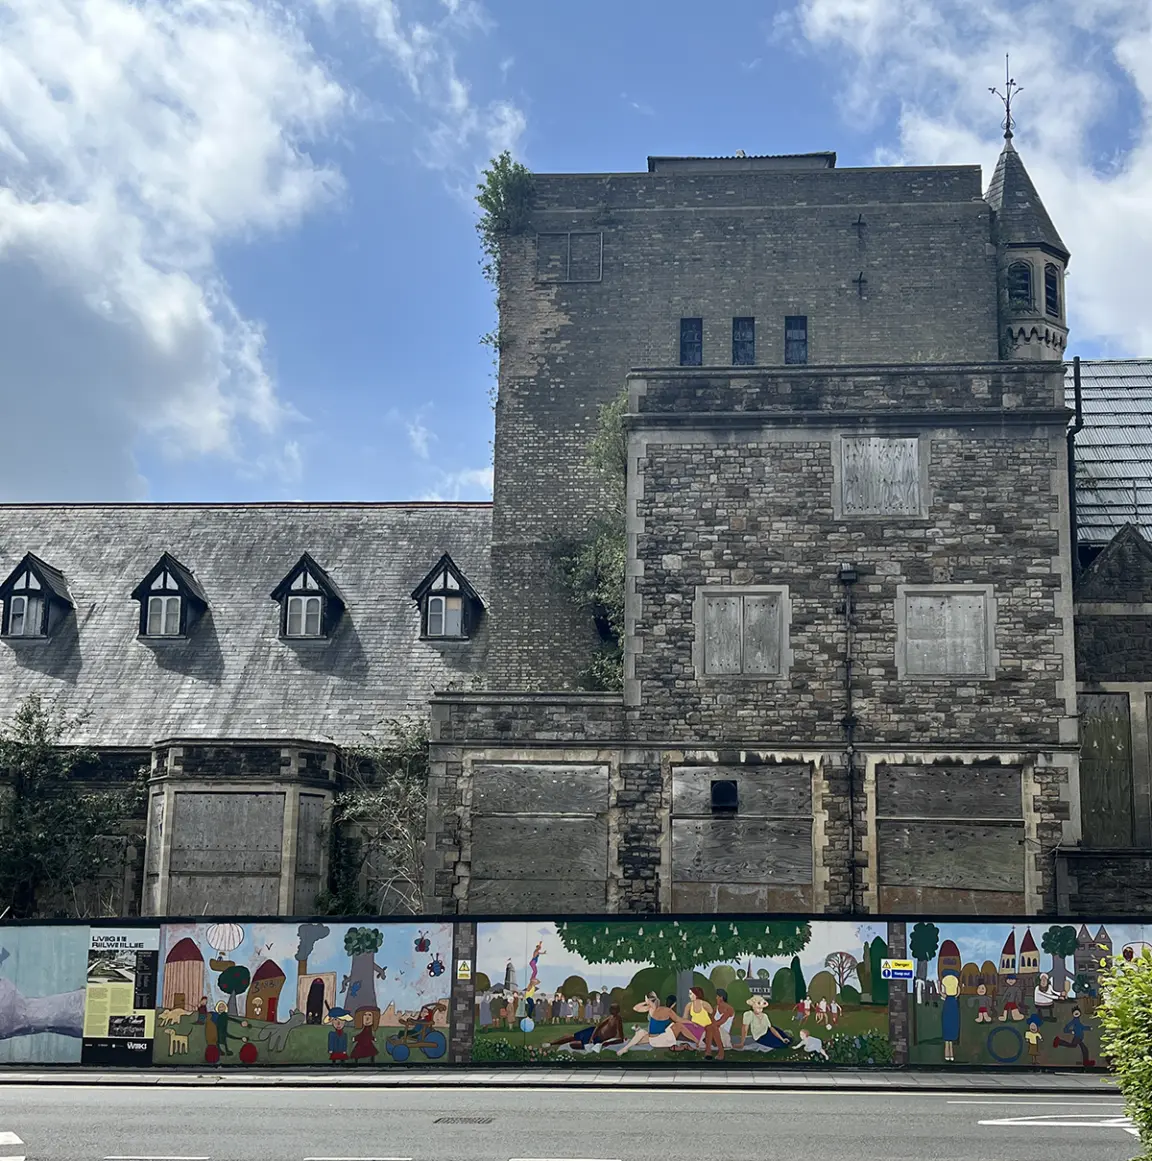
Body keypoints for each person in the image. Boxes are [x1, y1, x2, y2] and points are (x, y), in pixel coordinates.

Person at [615, 993, 689, 1056]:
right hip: (652, 1032)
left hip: (657, 1034)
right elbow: (636, 1008)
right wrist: (645, 1002)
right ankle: (627, 1045)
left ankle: (628, 1044)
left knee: (639, 1037)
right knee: (638, 1038)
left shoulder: (659, 1009)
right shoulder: (652, 1008)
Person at [548, 1003, 625, 1052]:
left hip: (598, 1038)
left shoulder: (618, 1020)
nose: (610, 1010)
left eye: (612, 1009)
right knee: (573, 1036)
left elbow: (621, 1038)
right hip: (593, 1032)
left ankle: (561, 1046)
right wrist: (592, 1037)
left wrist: (606, 1043)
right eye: (610, 1009)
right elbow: (598, 1026)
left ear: (617, 1010)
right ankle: (551, 1043)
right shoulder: (610, 1017)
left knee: (574, 1044)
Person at [704, 989, 735, 1061]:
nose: (716, 998)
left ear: (721, 997)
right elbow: (712, 1020)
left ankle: (721, 1052)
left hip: (724, 1034)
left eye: (717, 996)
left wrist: (710, 1026)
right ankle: (708, 1052)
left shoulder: (729, 1009)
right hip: (713, 1032)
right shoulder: (716, 1008)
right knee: (711, 1027)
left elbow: (721, 1021)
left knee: (712, 1027)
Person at [940, 972, 961, 1062]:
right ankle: (949, 1055)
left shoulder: (949, 999)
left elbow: (943, 994)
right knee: (949, 1037)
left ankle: (948, 1055)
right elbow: (957, 993)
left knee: (948, 1038)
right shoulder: (953, 1000)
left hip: (949, 1012)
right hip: (951, 1012)